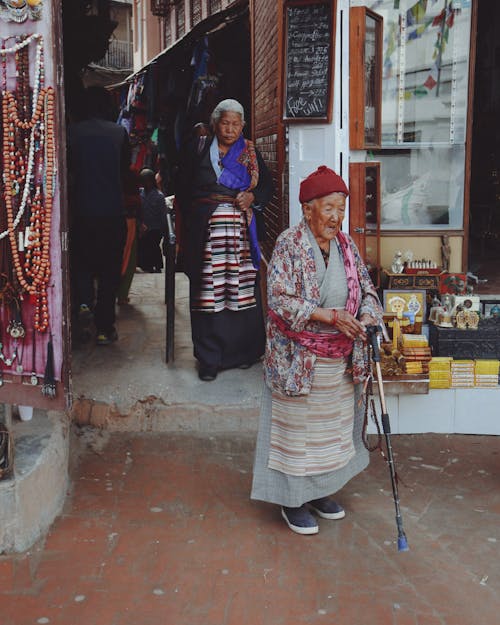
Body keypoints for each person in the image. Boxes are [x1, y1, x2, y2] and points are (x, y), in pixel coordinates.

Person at [251, 165, 384, 535]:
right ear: (308, 209)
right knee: (297, 434)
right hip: (298, 361)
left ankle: (322, 491)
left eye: (341, 209)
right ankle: (292, 500)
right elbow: (278, 299)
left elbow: (368, 290)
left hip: (337, 363)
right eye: (329, 208)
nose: (336, 217)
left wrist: (369, 318)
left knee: (332, 434)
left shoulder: (346, 245)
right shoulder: (288, 244)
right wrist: (330, 316)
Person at [176, 99, 273, 381]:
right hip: (207, 233)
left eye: (235, 124)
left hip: (241, 234)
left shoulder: (250, 152)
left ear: (242, 126)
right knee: (209, 292)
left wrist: (252, 196)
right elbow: (182, 186)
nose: (230, 129)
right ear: (215, 123)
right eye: (225, 123)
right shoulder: (198, 149)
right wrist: (194, 221)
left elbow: (266, 185)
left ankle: (243, 354)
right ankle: (209, 359)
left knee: (241, 290)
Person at [68, 86, 130, 346]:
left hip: (80, 211)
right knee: (109, 270)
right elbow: (124, 172)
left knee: (80, 262)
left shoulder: (71, 133)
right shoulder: (119, 133)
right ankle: (105, 328)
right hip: (111, 211)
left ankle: (83, 303)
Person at [117, 168, 142, 305]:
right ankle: (122, 294)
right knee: (129, 260)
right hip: (129, 222)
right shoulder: (131, 175)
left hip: (115, 220)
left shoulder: (117, 174)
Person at [137, 168, 167, 273]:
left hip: (155, 228)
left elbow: (163, 214)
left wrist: (164, 229)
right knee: (144, 247)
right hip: (143, 226)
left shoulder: (159, 196)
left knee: (153, 247)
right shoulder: (140, 193)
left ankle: (157, 265)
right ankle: (147, 265)